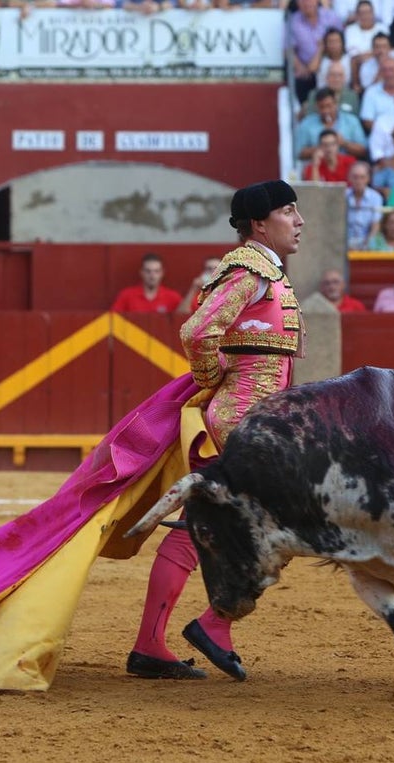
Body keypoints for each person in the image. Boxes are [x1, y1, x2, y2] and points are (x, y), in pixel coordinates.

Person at [127, 180, 305, 682]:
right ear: (259, 223)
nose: (299, 220)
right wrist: (211, 384)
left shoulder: (264, 270)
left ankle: (156, 644)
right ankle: (213, 625)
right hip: (242, 425)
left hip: (254, 421)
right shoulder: (250, 271)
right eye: (288, 210)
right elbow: (197, 332)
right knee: (291, 520)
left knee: (196, 529)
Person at [297, 88, 368, 161]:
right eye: (321, 107)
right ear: (316, 107)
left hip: (347, 168)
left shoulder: (351, 121)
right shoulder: (307, 123)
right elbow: (299, 153)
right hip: (319, 167)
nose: (325, 111)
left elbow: (363, 151)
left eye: (329, 106)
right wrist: (322, 146)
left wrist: (344, 143)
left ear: (336, 104)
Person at [111, 253, 183, 313]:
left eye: (156, 271)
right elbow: (113, 319)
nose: (152, 275)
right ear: (141, 273)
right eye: (148, 271)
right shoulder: (126, 295)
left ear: (162, 273)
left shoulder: (173, 297)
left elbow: (185, 317)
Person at [345, 161, 383, 249]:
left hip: (368, 243)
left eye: (362, 177)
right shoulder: (343, 195)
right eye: (355, 177)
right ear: (349, 178)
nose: (358, 181)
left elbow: (376, 225)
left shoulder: (376, 197)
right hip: (344, 242)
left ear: (368, 179)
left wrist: (367, 245)